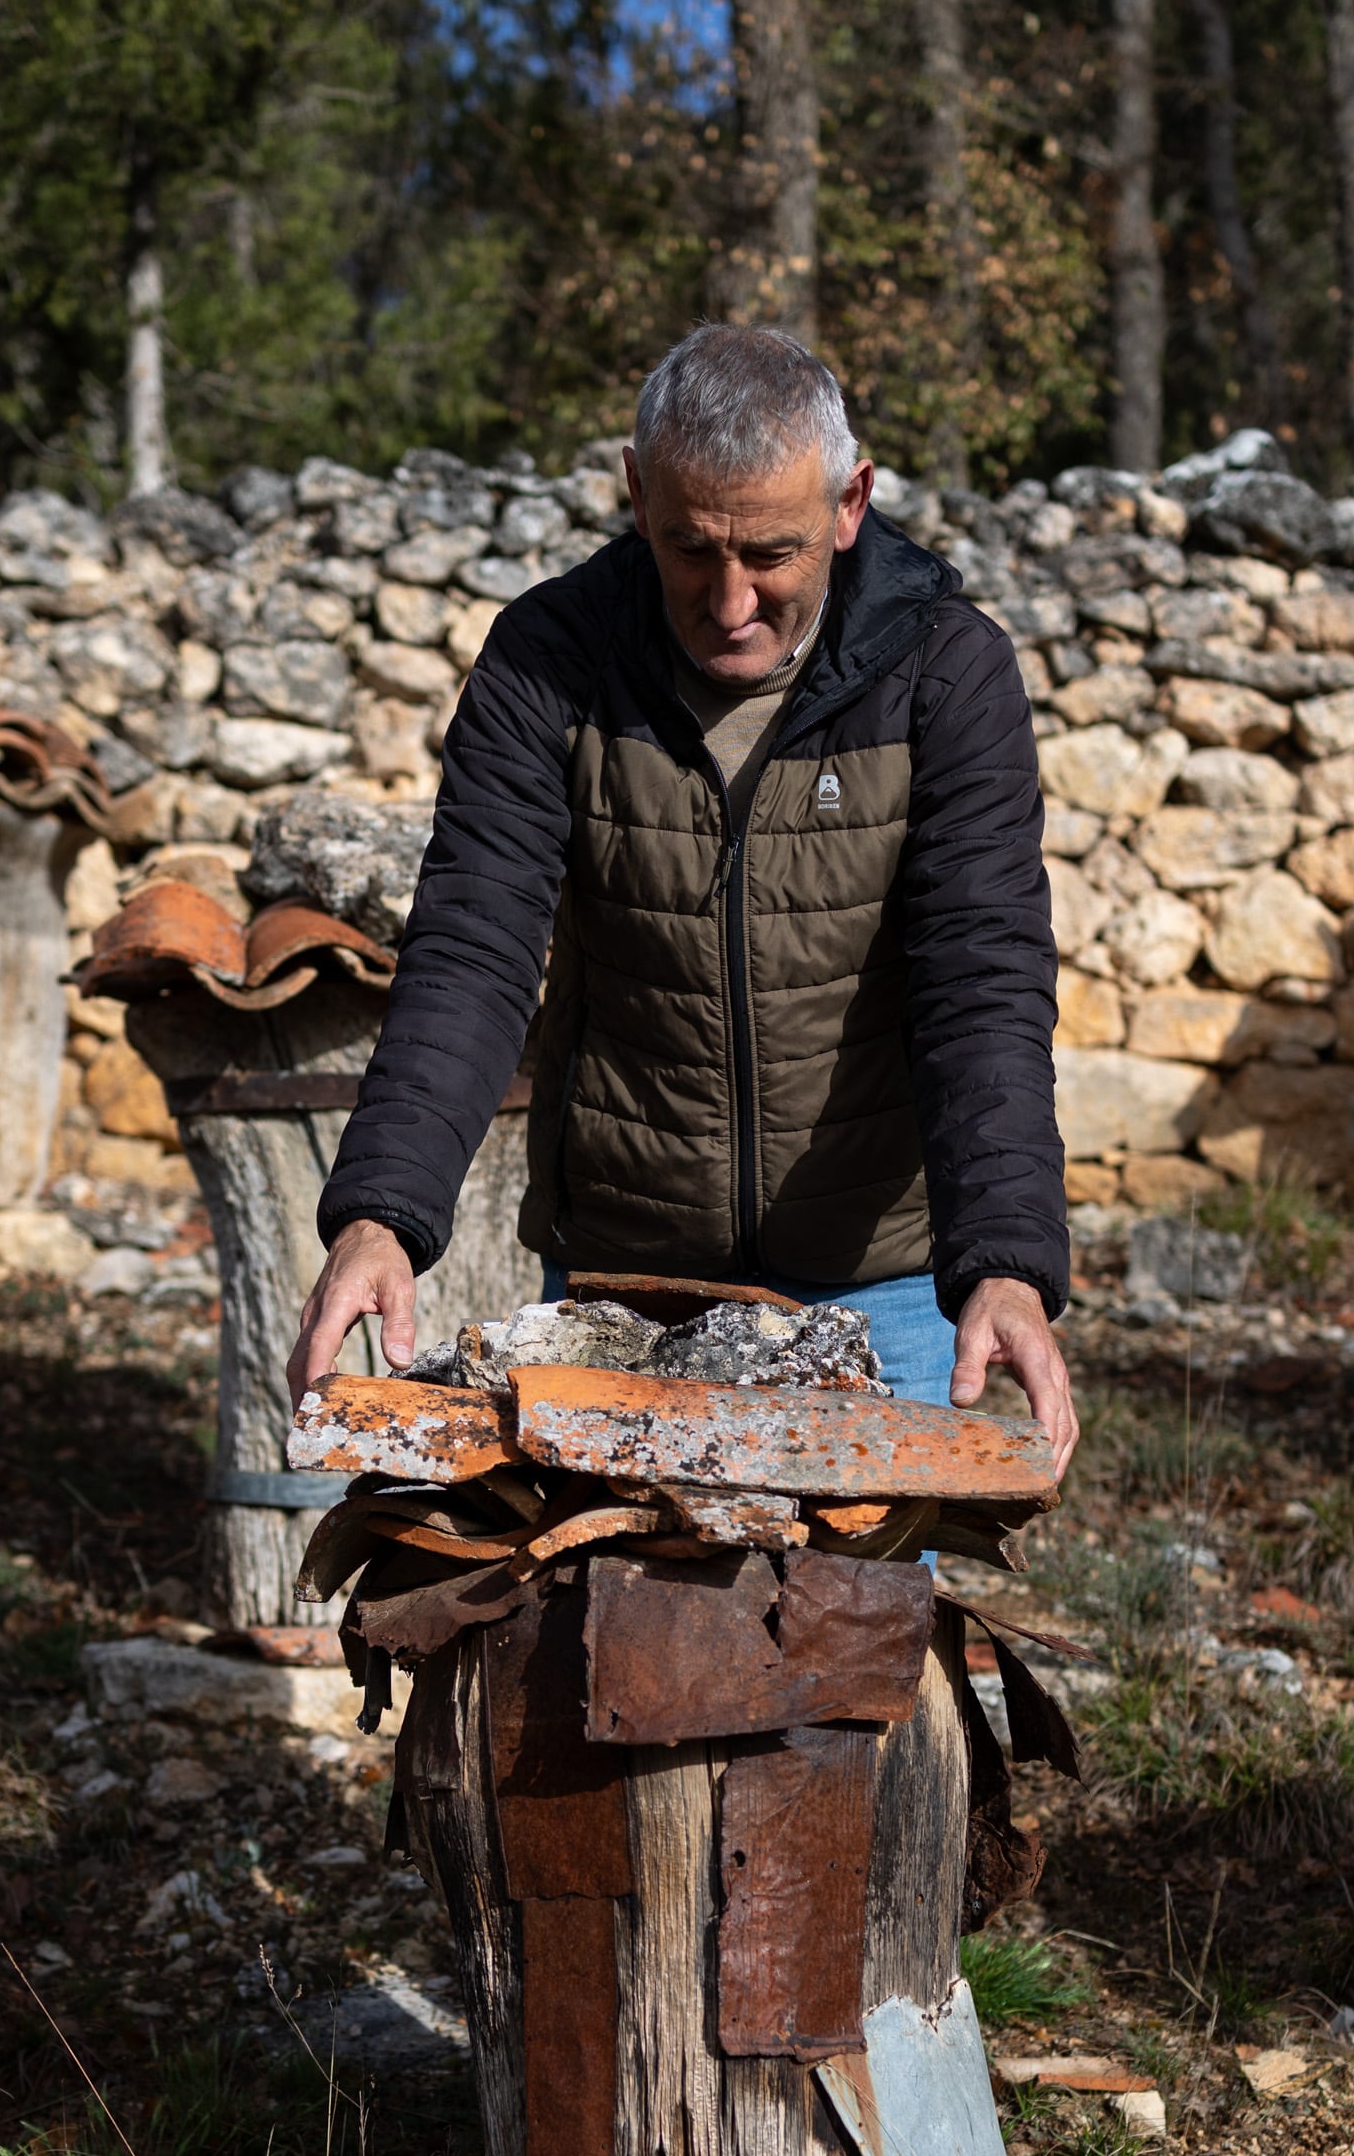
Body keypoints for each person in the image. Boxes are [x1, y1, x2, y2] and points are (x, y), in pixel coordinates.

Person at [291, 323, 1077, 1463]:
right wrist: (383, 1214)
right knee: (608, 1632)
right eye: (688, 547)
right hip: (625, 1280)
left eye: (771, 553)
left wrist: (1003, 1261)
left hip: (886, 1283)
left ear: (850, 504)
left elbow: (982, 975)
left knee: (853, 1631)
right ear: (634, 491)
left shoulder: (946, 675)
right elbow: (473, 947)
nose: (729, 601)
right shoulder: (545, 661)